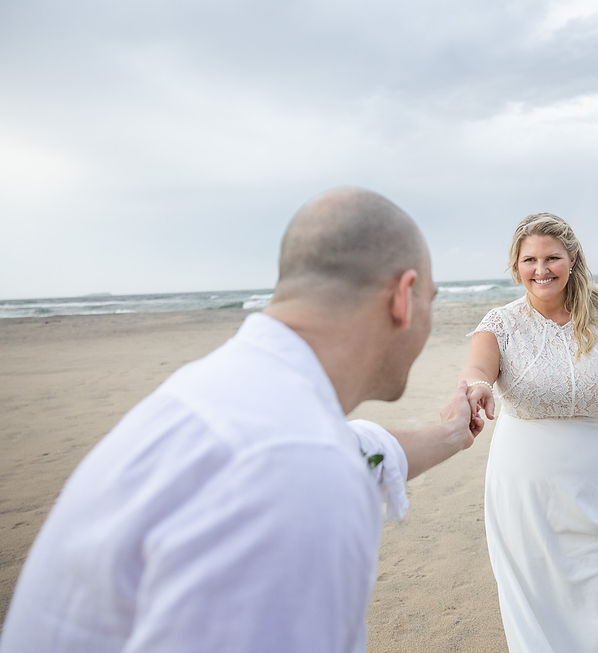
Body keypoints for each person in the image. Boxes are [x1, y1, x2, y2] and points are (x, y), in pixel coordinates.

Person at [0, 187, 482, 653]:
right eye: (432, 299)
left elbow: (353, 448)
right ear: (403, 295)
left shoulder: (232, 391)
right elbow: (306, 461)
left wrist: (451, 433)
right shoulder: (295, 467)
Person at [459, 213, 598, 652]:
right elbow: (477, 370)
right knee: (539, 594)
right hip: (524, 485)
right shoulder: (500, 323)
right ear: (515, 266)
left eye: (551, 258)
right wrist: (477, 388)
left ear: (572, 259)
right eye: (529, 260)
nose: (541, 270)